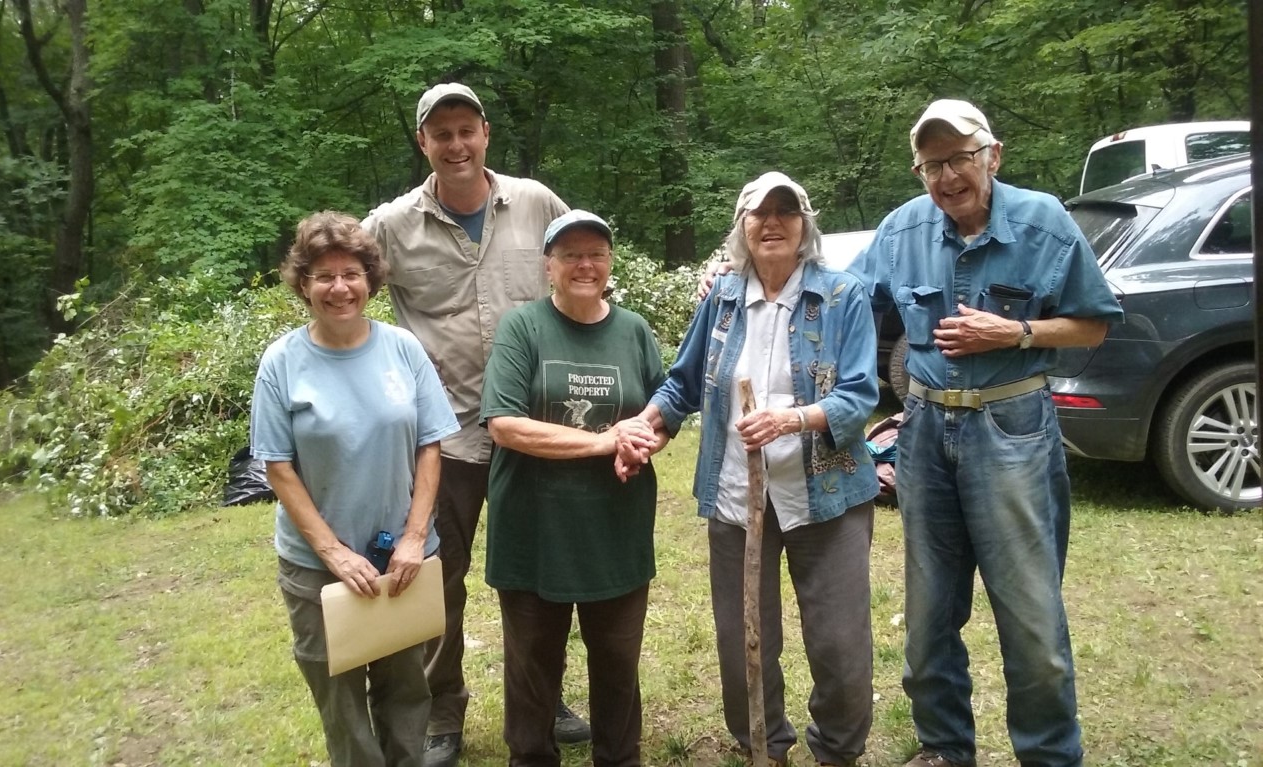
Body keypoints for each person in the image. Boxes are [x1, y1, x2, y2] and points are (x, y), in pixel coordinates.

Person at [847, 99, 1124, 767]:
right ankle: (944, 747)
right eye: (932, 163)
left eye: (960, 158)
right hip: (923, 430)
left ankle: (1050, 755)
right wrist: (738, 274)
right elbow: (842, 296)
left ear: (991, 156)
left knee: (1031, 619)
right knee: (928, 613)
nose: (947, 176)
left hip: (1013, 428)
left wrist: (1016, 331)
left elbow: (1093, 321)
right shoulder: (901, 229)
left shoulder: (1045, 223)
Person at [361, 82, 587, 767]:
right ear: (422, 143)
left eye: (467, 129)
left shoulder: (538, 203)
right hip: (443, 436)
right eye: (441, 133)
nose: (456, 144)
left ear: (485, 132)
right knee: (439, 576)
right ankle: (441, 710)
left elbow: (582, 275)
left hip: (530, 429)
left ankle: (544, 697)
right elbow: (341, 292)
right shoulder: (391, 226)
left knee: (540, 574)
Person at [631, 172, 881, 767]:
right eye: (759, 214)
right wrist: (648, 423)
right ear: (741, 228)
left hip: (826, 492)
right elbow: (683, 381)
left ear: (805, 224)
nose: (773, 223)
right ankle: (762, 746)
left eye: (786, 212)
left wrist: (791, 420)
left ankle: (837, 752)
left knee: (840, 642)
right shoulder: (722, 298)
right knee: (741, 634)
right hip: (737, 498)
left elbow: (860, 394)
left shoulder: (843, 297)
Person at [251, 211, 461, 767]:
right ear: (303, 284)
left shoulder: (403, 349)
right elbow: (277, 466)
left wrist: (416, 537)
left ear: (371, 279)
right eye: (323, 276)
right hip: (317, 569)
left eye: (351, 273)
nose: (339, 287)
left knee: (406, 689)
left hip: (402, 561)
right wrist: (334, 552)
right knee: (340, 700)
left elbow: (431, 444)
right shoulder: (281, 364)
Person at [480, 210, 665, 767]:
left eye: (597, 254)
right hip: (534, 529)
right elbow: (505, 425)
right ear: (549, 267)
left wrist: (642, 440)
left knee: (616, 658)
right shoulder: (523, 327)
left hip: (615, 526)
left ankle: (618, 758)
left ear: (610, 263)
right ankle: (532, 758)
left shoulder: (633, 330)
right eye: (570, 255)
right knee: (533, 662)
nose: (585, 265)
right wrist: (606, 441)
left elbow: (662, 409)